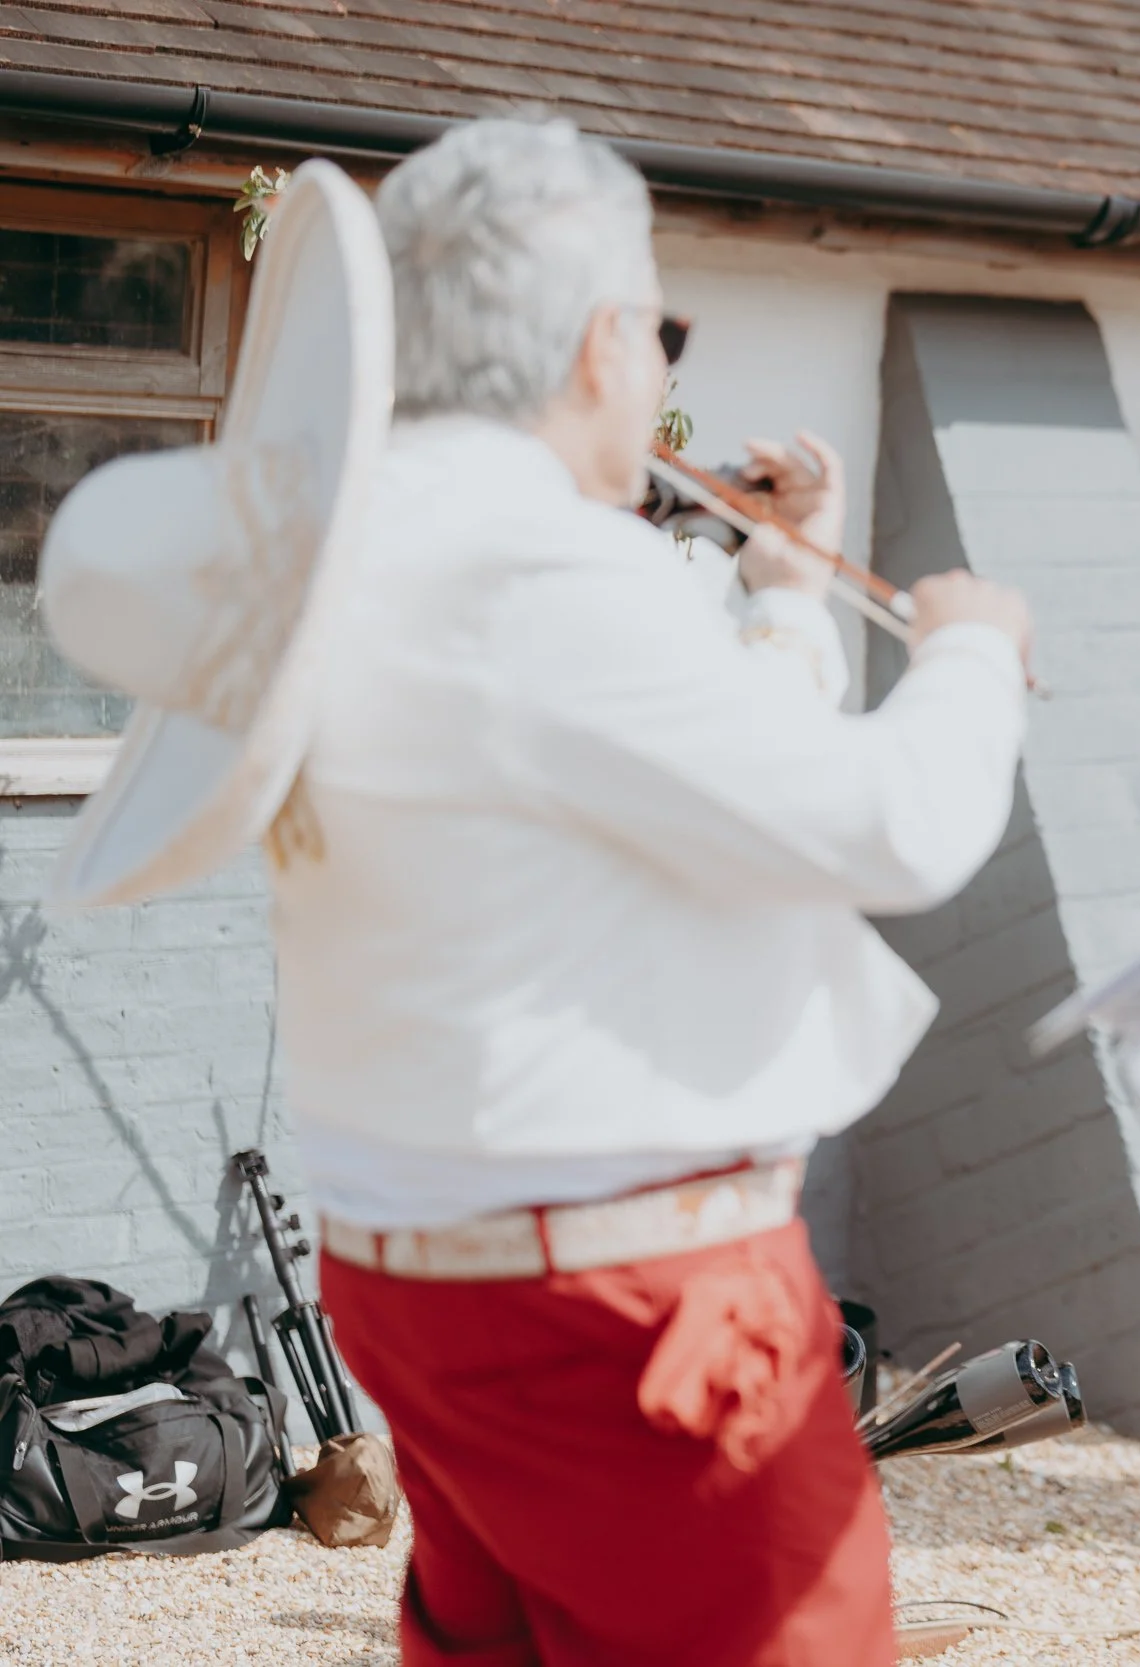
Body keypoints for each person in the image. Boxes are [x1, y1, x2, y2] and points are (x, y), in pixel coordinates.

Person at [273, 120, 1031, 1665]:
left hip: (416, 1272)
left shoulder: (354, 541)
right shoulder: (550, 567)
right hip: (628, 1295)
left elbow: (717, 807)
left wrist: (789, 596)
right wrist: (970, 655)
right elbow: (892, 827)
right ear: (598, 340)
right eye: (661, 330)